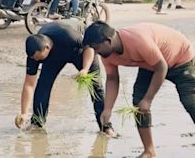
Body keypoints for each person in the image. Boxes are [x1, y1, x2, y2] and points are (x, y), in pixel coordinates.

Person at [83, 21, 195, 158]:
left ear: (108, 41)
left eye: (96, 48)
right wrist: (107, 109)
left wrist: (148, 99)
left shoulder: (137, 40)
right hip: (150, 63)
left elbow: (162, 67)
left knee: (190, 100)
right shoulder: (107, 54)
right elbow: (112, 78)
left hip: (180, 58)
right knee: (139, 103)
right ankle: (149, 151)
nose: (96, 52)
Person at [16, 21, 116, 137]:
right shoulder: (34, 54)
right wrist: (24, 113)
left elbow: (89, 47)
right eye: (35, 59)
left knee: (96, 87)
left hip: (78, 50)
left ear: (46, 48)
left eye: (39, 58)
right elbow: (29, 84)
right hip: (54, 58)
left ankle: (106, 127)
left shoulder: (70, 36)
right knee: (43, 85)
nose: (37, 61)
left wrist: (85, 69)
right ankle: (37, 122)